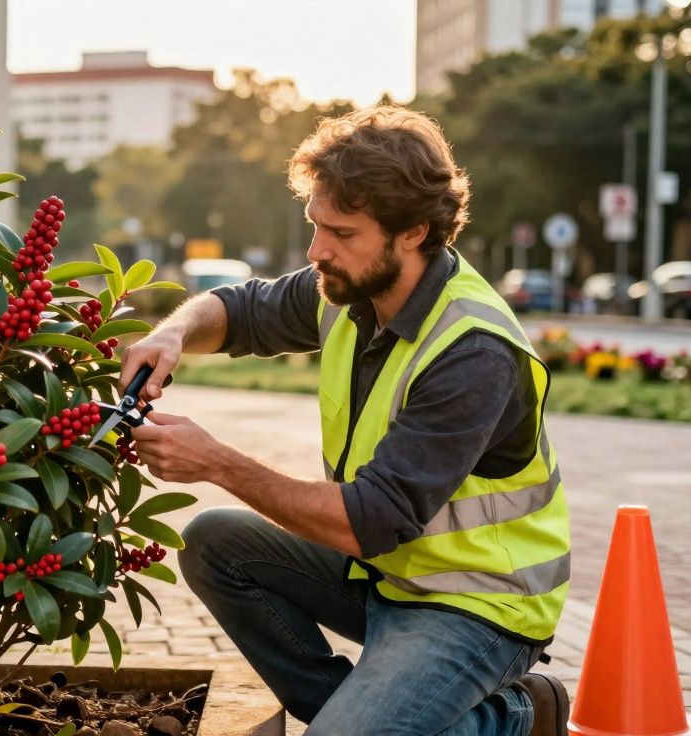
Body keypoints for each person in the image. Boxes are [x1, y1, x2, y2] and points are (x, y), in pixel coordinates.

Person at [119, 106, 570, 736]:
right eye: (315, 224)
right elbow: (241, 310)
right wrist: (170, 334)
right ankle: (361, 715)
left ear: (412, 233)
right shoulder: (350, 287)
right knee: (216, 543)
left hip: (477, 604)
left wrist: (217, 462)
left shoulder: (472, 350)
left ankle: (517, 715)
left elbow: (371, 521)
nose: (316, 250)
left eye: (342, 233)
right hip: (386, 576)